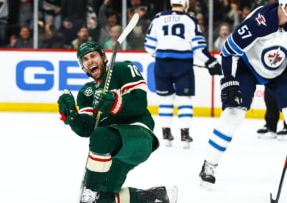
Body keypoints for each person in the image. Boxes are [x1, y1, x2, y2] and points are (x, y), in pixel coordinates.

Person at [57, 41, 178, 203]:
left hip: (138, 135)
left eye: (93, 55)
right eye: (85, 59)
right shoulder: (86, 93)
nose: (90, 61)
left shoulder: (122, 70)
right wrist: (72, 116)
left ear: (104, 57)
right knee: (102, 200)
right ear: (83, 67)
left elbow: (139, 102)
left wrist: (113, 101)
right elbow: (86, 129)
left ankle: (90, 189)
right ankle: (156, 196)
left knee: (101, 135)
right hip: (112, 149)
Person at [199, 1, 287, 187]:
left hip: (280, 71)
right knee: (233, 114)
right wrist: (229, 79)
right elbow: (229, 51)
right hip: (247, 67)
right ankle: (209, 164)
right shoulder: (260, 20)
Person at [144, 0, 222, 148]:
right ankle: (185, 133)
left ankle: (166, 134)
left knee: (165, 100)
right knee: (184, 98)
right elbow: (198, 47)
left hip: (162, 65)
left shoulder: (158, 17)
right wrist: (210, 62)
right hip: (183, 65)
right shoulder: (189, 19)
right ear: (185, 3)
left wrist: (162, 54)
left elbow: (149, 46)